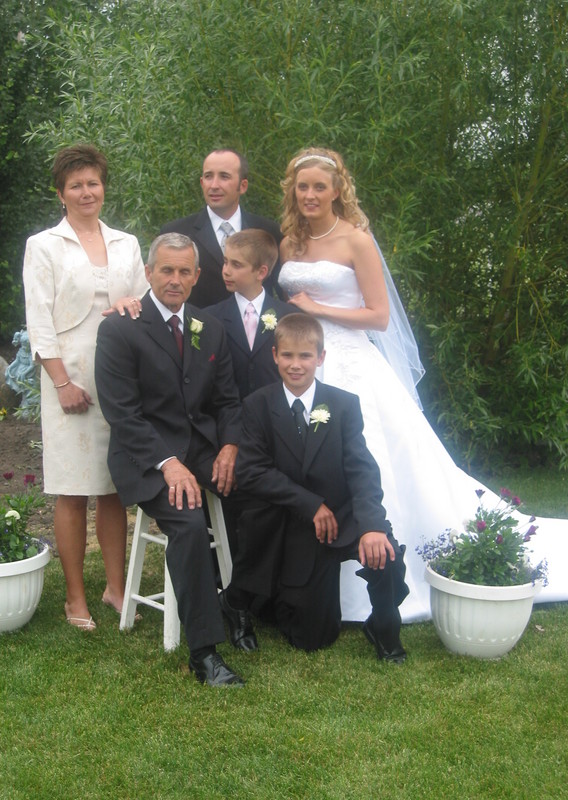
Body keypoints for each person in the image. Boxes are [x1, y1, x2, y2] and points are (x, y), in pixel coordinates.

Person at [278, 146, 568, 623]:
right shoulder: (290, 241)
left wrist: (317, 309)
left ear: (336, 190)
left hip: (349, 362)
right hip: (301, 364)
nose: (309, 195)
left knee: (368, 457)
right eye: (302, 186)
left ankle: (378, 574)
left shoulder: (356, 240)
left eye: (319, 187)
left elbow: (379, 315)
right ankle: (308, 570)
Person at [95, 232, 246, 687]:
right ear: (149, 272)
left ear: (197, 276)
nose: (174, 280)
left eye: (184, 271)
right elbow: (122, 414)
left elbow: (228, 401)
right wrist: (167, 462)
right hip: (145, 457)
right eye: (166, 270)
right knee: (188, 519)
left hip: (202, 448)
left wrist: (230, 446)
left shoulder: (209, 327)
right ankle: (205, 653)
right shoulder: (120, 329)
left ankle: (242, 605)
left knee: (262, 490)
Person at [224, 314, 409, 659]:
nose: (296, 365)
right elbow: (252, 471)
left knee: (386, 552)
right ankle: (248, 602)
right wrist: (310, 505)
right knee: (312, 638)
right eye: (288, 355)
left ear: (320, 358)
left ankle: (384, 626)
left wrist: (371, 526)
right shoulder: (258, 405)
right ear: (275, 355)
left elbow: (362, 469)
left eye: (305, 356)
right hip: (294, 519)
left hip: (341, 513)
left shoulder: (343, 404)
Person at [23, 144, 148, 631]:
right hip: (69, 377)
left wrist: (132, 305)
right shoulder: (44, 245)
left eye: (92, 182)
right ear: (61, 193)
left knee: (114, 487)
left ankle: (115, 588)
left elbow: (144, 299)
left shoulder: (126, 243)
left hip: (120, 376)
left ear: (103, 187)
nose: (86, 192)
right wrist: (61, 382)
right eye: (75, 185)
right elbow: (39, 319)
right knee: (73, 490)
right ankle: (74, 597)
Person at [160, 149, 282, 307]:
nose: (214, 185)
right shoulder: (176, 232)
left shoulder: (269, 232)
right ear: (201, 183)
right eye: (208, 176)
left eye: (224, 176)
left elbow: (280, 293)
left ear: (243, 186)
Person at [206, 229, 297, 399]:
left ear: (261, 272)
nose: (226, 271)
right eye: (225, 262)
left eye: (236, 265)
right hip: (228, 409)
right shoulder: (211, 317)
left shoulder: (289, 317)